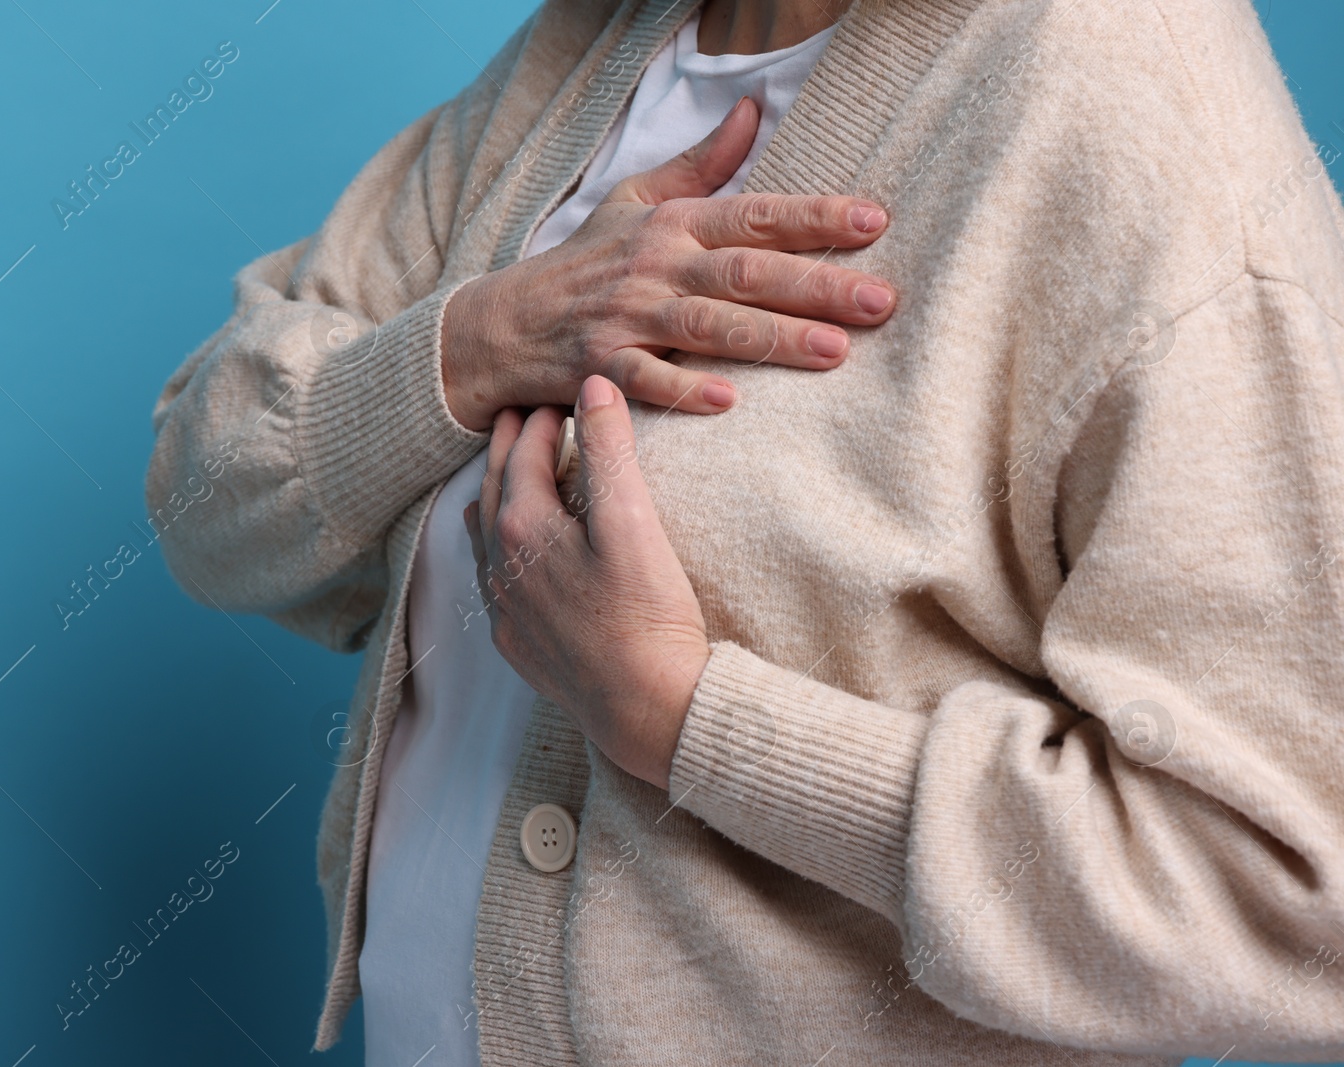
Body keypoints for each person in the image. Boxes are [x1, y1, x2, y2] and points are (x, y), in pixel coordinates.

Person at [146, 0, 1344, 1064]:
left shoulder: (1138, 114)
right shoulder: (594, 49)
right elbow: (206, 499)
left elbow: (1286, 901)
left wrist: (685, 718)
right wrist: (477, 342)